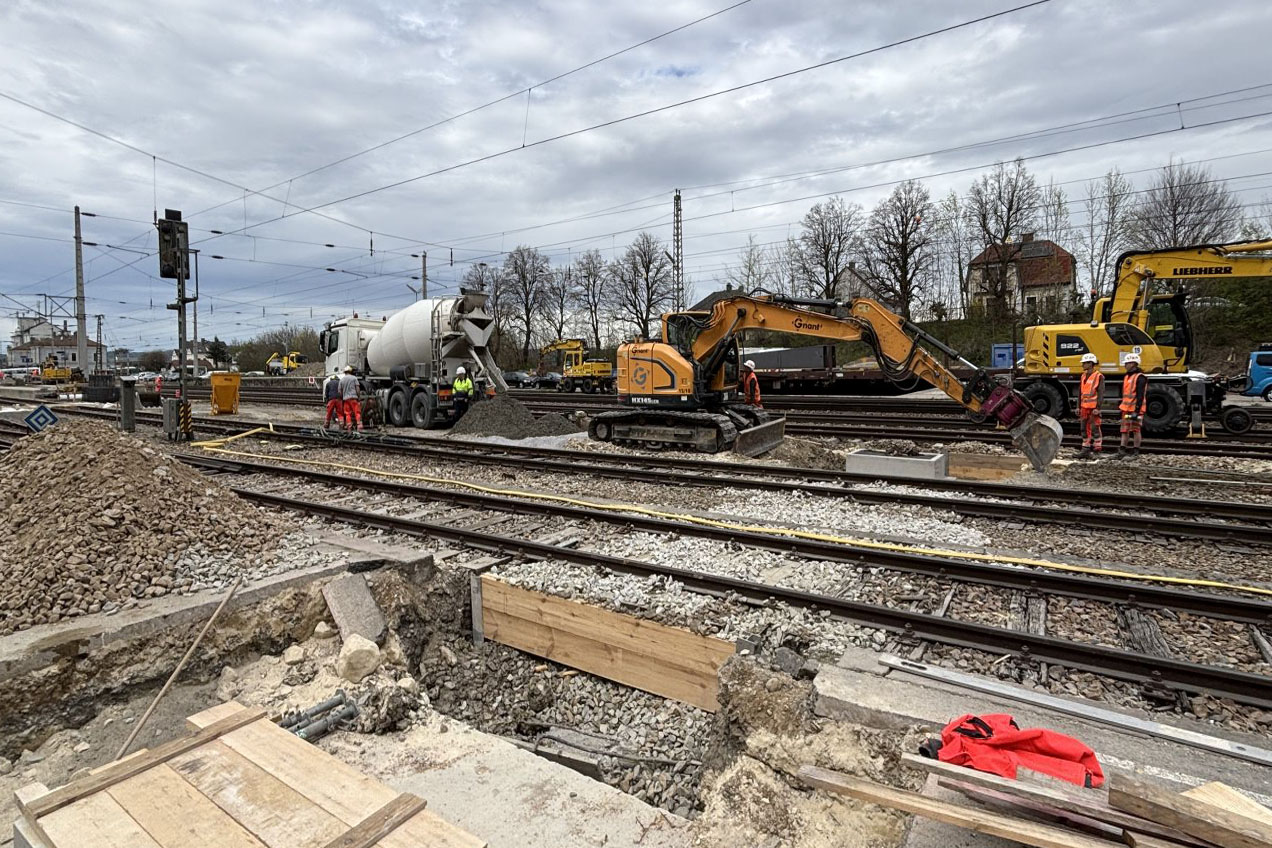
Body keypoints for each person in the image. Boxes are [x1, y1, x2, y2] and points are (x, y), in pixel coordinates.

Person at [1116, 353, 1147, 460]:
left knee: (1136, 430)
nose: (1125, 365)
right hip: (1126, 409)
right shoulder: (1127, 376)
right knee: (1124, 430)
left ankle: (1135, 451)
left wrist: (1137, 411)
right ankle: (1122, 450)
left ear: (1133, 364)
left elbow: (1140, 395)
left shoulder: (1140, 377)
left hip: (1135, 410)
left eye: (1127, 363)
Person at [1076, 353, 1104, 460]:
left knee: (1095, 428)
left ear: (1090, 363)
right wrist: (1078, 406)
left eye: (1084, 363)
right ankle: (1085, 449)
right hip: (1084, 407)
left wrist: (1098, 408)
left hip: (1093, 408)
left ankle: (1097, 450)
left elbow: (1101, 393)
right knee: (1084, 428)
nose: (1083, 365)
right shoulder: (1083, 375)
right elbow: (1080, 392)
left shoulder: (1099, 376)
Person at [339, 365, 363, 433]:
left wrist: (342, 398)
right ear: (351, 371)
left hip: (346, 399)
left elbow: (340, 391)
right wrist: (358, 397)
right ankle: (359, 426)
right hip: (354, 398)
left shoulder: (342, 380)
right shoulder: (354, 378)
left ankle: (349, 427)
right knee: (357, 412)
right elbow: (357, 389)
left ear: (345, 372)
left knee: (347, 413)